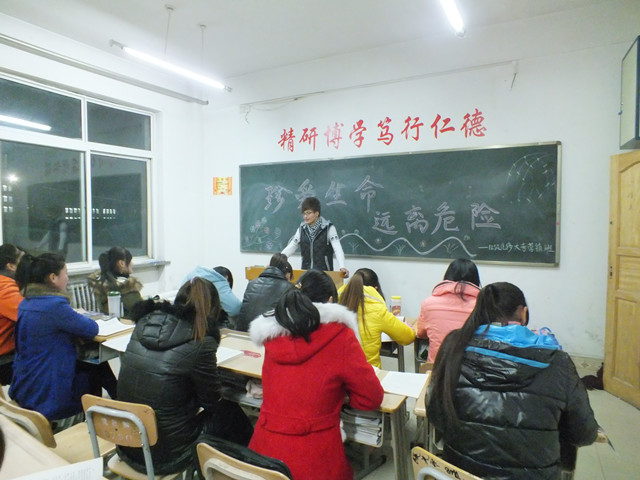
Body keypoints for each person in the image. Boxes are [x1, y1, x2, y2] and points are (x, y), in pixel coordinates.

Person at [426, 282, 599, 480]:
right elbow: (584, 434)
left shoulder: (453, 347)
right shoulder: (558, 362)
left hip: (460, 475)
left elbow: (435, 414)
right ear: (523, 313)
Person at [249, 269, 384, 480]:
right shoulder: (340, 336)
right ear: (330, 301)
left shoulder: (274, 335)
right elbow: (372, 397)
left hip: (262, 457)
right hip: (315, 460)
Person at [117, 277, 254, 475]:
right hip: (169, 455)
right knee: (231, 412)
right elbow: (211, 402)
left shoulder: (143, 325)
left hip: (127, 441)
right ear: (214, 309)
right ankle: (247, 468)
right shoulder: (201, 340)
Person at [9, 253, 115, 425]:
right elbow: (91, 329)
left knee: (95, 364)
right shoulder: (54, 305)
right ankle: (95, 422)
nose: (68, 278)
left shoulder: (26, 302)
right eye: (65, 273)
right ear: (53, 278)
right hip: (48, 393)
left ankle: (116, 407)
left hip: (27, 385)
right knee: (97, 368)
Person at [338, 268, 415, 368]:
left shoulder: (334, 303)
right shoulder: (378, 310)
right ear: (375, 289)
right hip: (367, 372)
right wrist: (409, 329)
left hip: (337, 372)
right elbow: (407, 338)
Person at [415, 258, 481, 363]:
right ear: (476, 280)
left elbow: (421, 333)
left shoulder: (429, 303)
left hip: (437, 367)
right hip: (470, 369)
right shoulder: (482, 306)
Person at [281, 196, 349, 278]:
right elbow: (291, 247)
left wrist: (342, 266)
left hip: (324, 275)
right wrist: (276, 262)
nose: (305, 216)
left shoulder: (328, 228)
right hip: (306, 274)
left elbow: (337, 248)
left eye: (309, 213)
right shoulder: (301, 229)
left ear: (317, 213)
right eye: (304, 213)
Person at [236, 253, 294, 332]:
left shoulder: (252, 283)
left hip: (242, 331)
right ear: (288, 274)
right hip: (266, 334)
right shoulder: (288, 287)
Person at [88, 246, 143, 317]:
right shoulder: (126, 287)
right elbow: (142, 311)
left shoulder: (102, 283)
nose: (132, 263)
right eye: (130, 260)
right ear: (121, 263)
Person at [0, 244, 25, 385]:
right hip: (4, 360)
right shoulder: (6, 289)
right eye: (23, 261)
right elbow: (34, 318)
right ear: (11, 266)